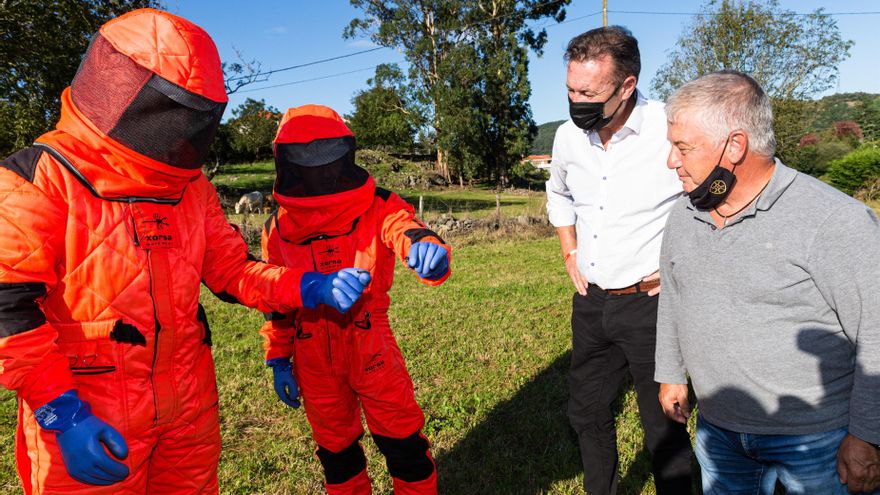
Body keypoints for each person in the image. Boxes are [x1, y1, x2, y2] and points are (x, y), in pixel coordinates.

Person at [0, 9, 370, 495]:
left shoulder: (191, 188)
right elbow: (8, 313)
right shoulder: (33, 181)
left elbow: (234, 271)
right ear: (123, 91)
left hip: (189, 410)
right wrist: (61, 413)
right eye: (170, 111)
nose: (180, 131)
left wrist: (305, 285)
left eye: (192, 117)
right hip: (88, 417)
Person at [656, 70, 880, 495]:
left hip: (820, 440)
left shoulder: (835, 221)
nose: (671, 161)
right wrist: (670, 373)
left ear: (735, 146)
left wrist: (869, 436)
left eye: (682, 147)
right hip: (718, 434)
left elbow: (878, 331)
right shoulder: (684, 214)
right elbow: (674, 295)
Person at [259, 104, 451, 495]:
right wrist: (279, 357)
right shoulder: (276, 229)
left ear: (345, 156)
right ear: (289, 165)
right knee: (337, 456)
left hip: (371, 348)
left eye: (328, 161)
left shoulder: (377, 204)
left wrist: (427, 249)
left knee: (405, 447)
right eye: (308, 164)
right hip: (312, 357)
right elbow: (275, 299)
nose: (321, 173)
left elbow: (405, 227)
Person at [544, 26, 693, 495]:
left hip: (652, 305)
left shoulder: (672, 129)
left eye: (588, 92)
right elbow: (559, 191)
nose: (575, 100)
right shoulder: (569, 136)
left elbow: (711, 205)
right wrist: (569, 247)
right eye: (570, 88)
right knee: (586, 412)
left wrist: (681, 266)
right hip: (591, 302)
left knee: (662, 424)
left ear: (627, 85)